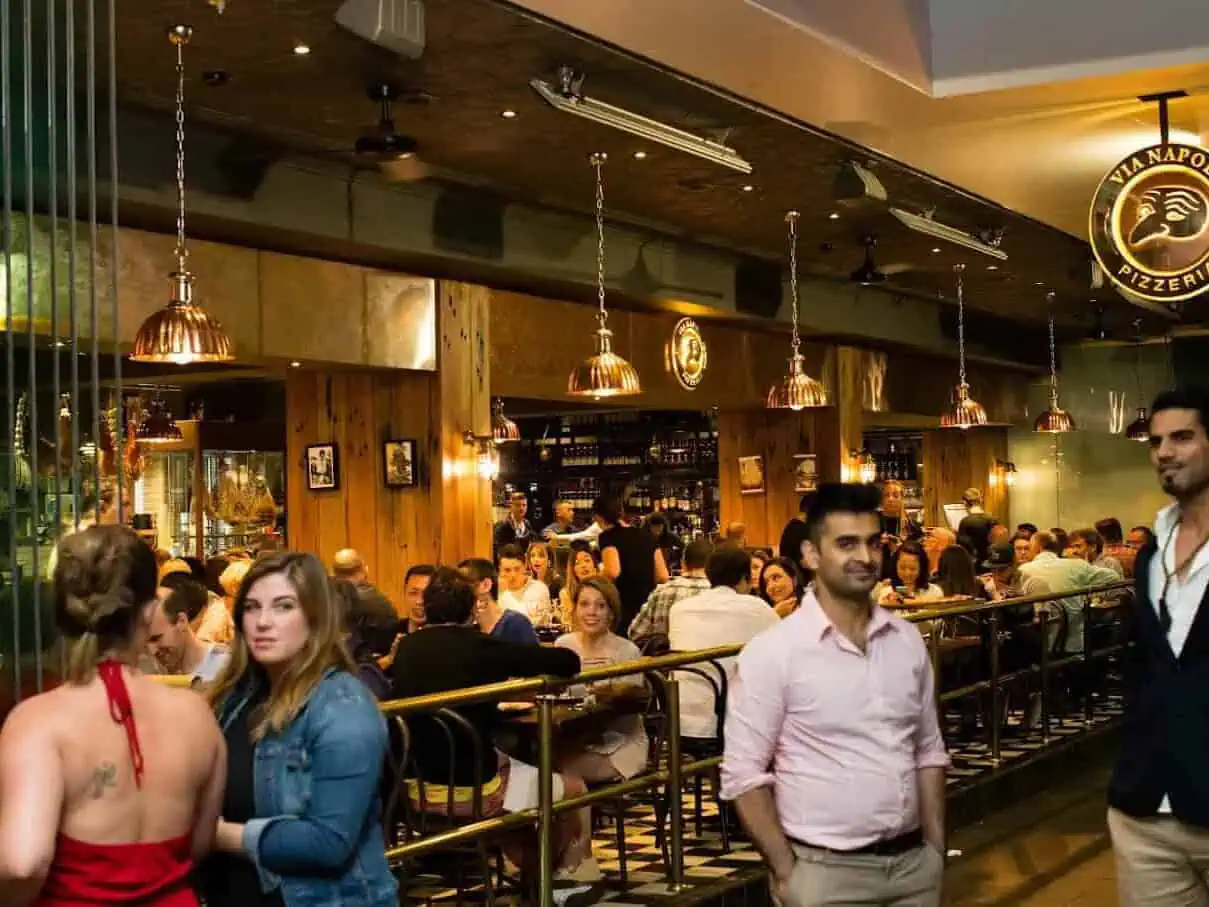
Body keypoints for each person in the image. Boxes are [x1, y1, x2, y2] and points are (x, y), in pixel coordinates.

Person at [721, 483, 948, 907]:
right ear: (810, 555)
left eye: (872, 542)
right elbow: (743, 775)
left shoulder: (906, 640)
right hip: (826, 875)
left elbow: (928, 751)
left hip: (914, 869)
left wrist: (934, 848)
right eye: (846, 543)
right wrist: (787, 871)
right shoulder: (774, 653)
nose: (864, 557)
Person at [0, 525, 225, 907]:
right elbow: (201, 842)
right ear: (150, 610)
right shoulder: (197, 714)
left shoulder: (37, 722)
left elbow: (23, 863)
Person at [200, 552, 397, 907]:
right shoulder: (235, 696)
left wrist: (215, 835)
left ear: (315, 617)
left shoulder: (342, 705)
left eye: (283, 606)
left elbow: (329, 842)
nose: (262, 622)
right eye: (251, 607)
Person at [390, 569, 593, 884]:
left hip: (414, 790)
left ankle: (533, 878)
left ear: (428, 607)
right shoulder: (481, 646)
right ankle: (567, 882)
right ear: (471, 608)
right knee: (573, 789)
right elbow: (567, 662)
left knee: (520, 796)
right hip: (477, 789)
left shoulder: (406, 649)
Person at [1109, 388, 1209, 906]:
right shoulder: (1151, 552)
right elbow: (1144, 667)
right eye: (1155, 442)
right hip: (1145, 812)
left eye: (1183, 437)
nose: (1165, 452)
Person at [669, 546, 779, 740]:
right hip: (733, 724)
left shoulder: (679, 609)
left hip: (679, 719)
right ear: (745, 578)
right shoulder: (756, 608)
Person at [594, 495, 668, 634]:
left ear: (598, 517)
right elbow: (663, 576)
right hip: (647, 606)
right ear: (621, 512)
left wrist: (595, 579)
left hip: (623, 607)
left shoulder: (607, 536)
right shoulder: (647, 535)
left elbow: (613, 571)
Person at [146, 574, 231, 686]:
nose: (152, 650)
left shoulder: (224, 668)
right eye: (145, 642)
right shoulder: (150, 670)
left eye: (156, 638)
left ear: (181, 621)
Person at [629, 538, 712, 641]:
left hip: (667, 655)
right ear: (714, 565)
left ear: (683, 563)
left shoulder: (661, 592)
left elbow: (634, 633)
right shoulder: (720, 594)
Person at [459, 558, 541, 645]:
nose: (458, 592)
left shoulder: (515, 624)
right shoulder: (469, 629)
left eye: (464, 586)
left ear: (486, 585)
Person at [496, 544, 553, 625]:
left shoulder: (539, 589)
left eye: (517, 569)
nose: (513, 575)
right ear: (500, 570)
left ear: (525, 565)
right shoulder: (496, 593)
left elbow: (543, 624)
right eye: (507, 570)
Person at [875, 541, 943, 606]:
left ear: (922, 568)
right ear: (895, 566)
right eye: (902, 568)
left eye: (913, 569)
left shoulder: (934, 592)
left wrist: (907, 602)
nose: (907, 573)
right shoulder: (886, 593)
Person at [559, 545, 599, 626]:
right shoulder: (566, 593)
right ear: (573, 571)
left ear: (594, 566)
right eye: (577, 563)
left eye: (587, 560)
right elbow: (569, 623)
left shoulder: (605, 590)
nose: (583, 566)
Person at [956, 488, 994, 568]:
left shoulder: (965, 522)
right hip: (992, 564)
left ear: (965, 503)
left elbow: (963, 549)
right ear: (980, 501)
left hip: (974, 566)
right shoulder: (993, 519)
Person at [493, 490, 535, 556]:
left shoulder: (527, 524)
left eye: (524, 505)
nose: (521, 508)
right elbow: (498, 551)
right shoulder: (502, 525)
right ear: (511, 506)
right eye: (518, 505)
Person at [401, 563, 436, 634]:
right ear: (405, 593)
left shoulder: (445, 637)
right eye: (413, 593)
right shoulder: (387, 634)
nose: (419, 601)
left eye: (426, 594)